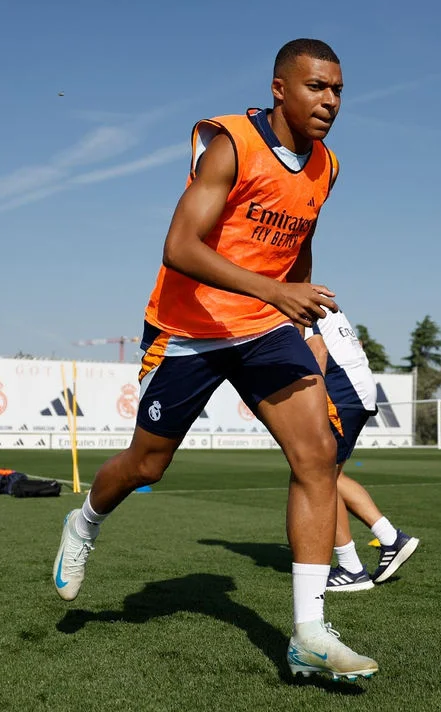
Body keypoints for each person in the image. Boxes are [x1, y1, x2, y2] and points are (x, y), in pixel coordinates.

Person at [50, 39, 378, 680]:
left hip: (263, 325)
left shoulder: (327, 167)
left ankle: (309, 633)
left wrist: (299, 312)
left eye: (338, 89)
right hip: (188, 326)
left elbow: (299, 233)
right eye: (316, 87)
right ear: (280, 88)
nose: (331, 101)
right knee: (149, 465)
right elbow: (178, 246)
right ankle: (84, 521)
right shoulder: (231, 142)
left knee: (317, 454)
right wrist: (276, 291)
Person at [301, 308, 419, 592]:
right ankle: (389, 538)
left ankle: (353, 568)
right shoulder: (318, 300)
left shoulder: (296, 303)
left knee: (321, 478)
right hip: (357, 388)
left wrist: (309, 405)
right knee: (330, 476)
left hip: (342, 391)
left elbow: (318, 352)